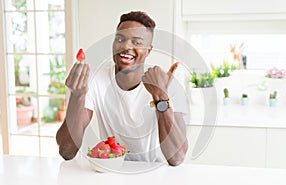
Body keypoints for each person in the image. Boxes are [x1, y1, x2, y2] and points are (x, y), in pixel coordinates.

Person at [56, 11, 188, 166]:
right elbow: (67, 151)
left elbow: (177, 158)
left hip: (156, 174)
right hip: (112, 170)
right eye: (120, 39)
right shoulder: (96, 79)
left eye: (137, 42)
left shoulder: (166, 82)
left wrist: (161, 97)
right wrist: (77, 96)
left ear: (148, 51)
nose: (126, 46)